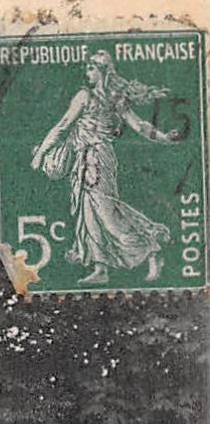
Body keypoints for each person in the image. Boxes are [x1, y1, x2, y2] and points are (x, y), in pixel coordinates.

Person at [30, 51, 182, 285]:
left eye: (91, 68)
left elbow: (140, 126)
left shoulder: (113, 99)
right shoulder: (84, 95)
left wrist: (164, 138)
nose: (87, 72)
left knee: (108, 215)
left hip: (100, 160)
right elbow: (64, 125)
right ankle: (101, 269)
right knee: (90, 214)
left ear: (103, 71)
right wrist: (42, 153)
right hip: (83, 159)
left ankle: (152, 250)